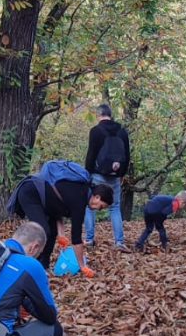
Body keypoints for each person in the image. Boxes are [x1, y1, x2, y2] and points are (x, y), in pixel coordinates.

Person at [8, 171, 112, 271]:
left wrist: (61, 235)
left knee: (52, 231)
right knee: (43, 231)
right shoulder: (81, 199)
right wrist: (82, 266)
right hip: (30, 192)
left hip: (43, 198)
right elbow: (76, 239)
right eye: (101, 206)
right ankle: (21, 261)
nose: (99, 209)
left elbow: (58, 209)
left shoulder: (82, 192)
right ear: (97, 197)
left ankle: (43, 266)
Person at [84, 103, 131, 253]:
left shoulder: (96, 131)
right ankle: (119, 242)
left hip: (97, 174)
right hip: (115, 176)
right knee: (115, 208)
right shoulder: (122, 131)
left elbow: (91, 154)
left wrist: (87, 174)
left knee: (90, 207)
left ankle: (89, 239)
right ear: (110, 114)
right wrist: (121, 173)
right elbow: (127, 155)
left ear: (99, 115)